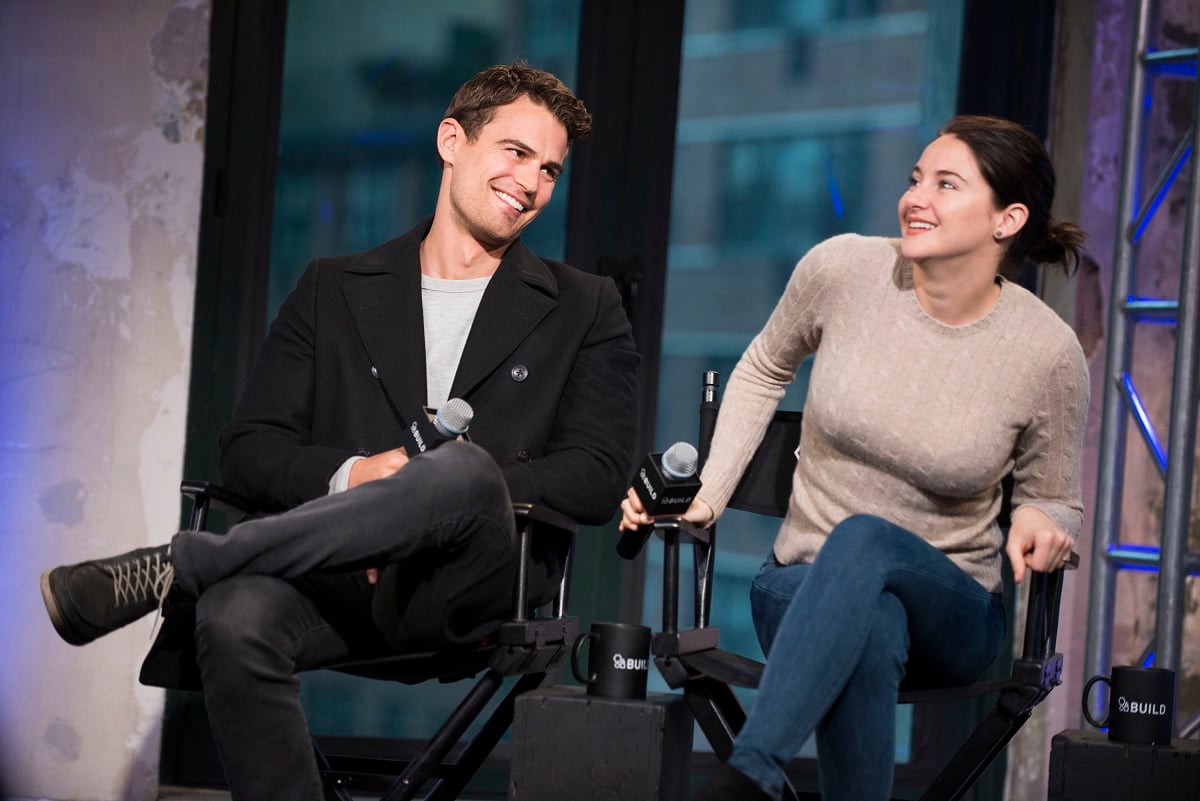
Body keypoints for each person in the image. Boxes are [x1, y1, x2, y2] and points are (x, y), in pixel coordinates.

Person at [41, 62, 639, 801]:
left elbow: (598, 471)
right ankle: (217, 585)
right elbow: (251, 449)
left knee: (456, 468)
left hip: (475, 584)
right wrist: (359, 481)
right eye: (516, 152)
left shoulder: (586, 306)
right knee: (233, 616)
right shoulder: (332, 288)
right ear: (452, 140)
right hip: (338, 579)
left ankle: (185, 563)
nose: (533, 182)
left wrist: (426, 497)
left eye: (550, 169)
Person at [620, 115, 1088, 801]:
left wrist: (1041, 520)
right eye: (914, 179)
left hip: (953, 604)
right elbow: (760, 368)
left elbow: (1055, 496)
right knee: (870, 622)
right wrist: (709, 492)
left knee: (866, 538)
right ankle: (751, 778)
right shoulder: (841, 269)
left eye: (945, 184)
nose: (915, 198)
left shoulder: (1046, 351)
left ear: (1007, 218)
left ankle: (747, 775)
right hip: (801, 583)